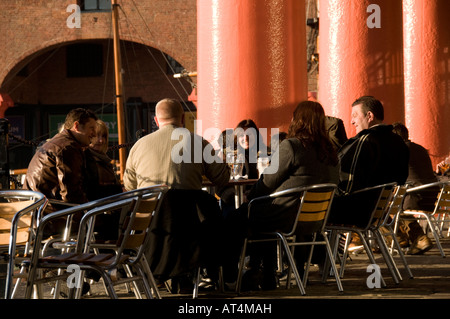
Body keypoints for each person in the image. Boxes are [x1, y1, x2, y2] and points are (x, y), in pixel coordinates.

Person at [123, 98, 231, 291]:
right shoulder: (198, 142)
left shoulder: (139, 146)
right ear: (182, 118)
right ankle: (205, 275)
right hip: (190, 227)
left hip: (151, 228)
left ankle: (154, 275)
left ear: (156, 120)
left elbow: (129, 187)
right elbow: (222, 178)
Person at [236, 100, 340, 290]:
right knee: (261, 213)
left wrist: (250, 196)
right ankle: (265, 272)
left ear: (298, 120)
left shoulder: (292, 146)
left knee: (246, 213)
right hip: (316, 217)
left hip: (288, 214)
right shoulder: (331, 151)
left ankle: (246, 272)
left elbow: (268, 181)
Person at [327, 96, 410, 250]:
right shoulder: (399, 142)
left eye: (354, 116)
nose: (352, 121)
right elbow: (401, 178)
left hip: (356, 212)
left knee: (304, 210)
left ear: (369, 116)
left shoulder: (365, 141)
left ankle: (317, 261)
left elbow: (347, 185)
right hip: (377, 212)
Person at [24, 108, 98, 208]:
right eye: (91, 128)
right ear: (76, 126)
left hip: (34, 207)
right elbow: (71, 194)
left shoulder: (59, 142)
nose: (94, 134)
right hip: (48, 212)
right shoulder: (67, 148)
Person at [392, 122, 434, 254]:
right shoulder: (420, 149)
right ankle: (402, 239)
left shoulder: (400, 150)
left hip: (416, 197)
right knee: (392, 203)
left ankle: (411, 238)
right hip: (433, 198)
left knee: (385, 205)